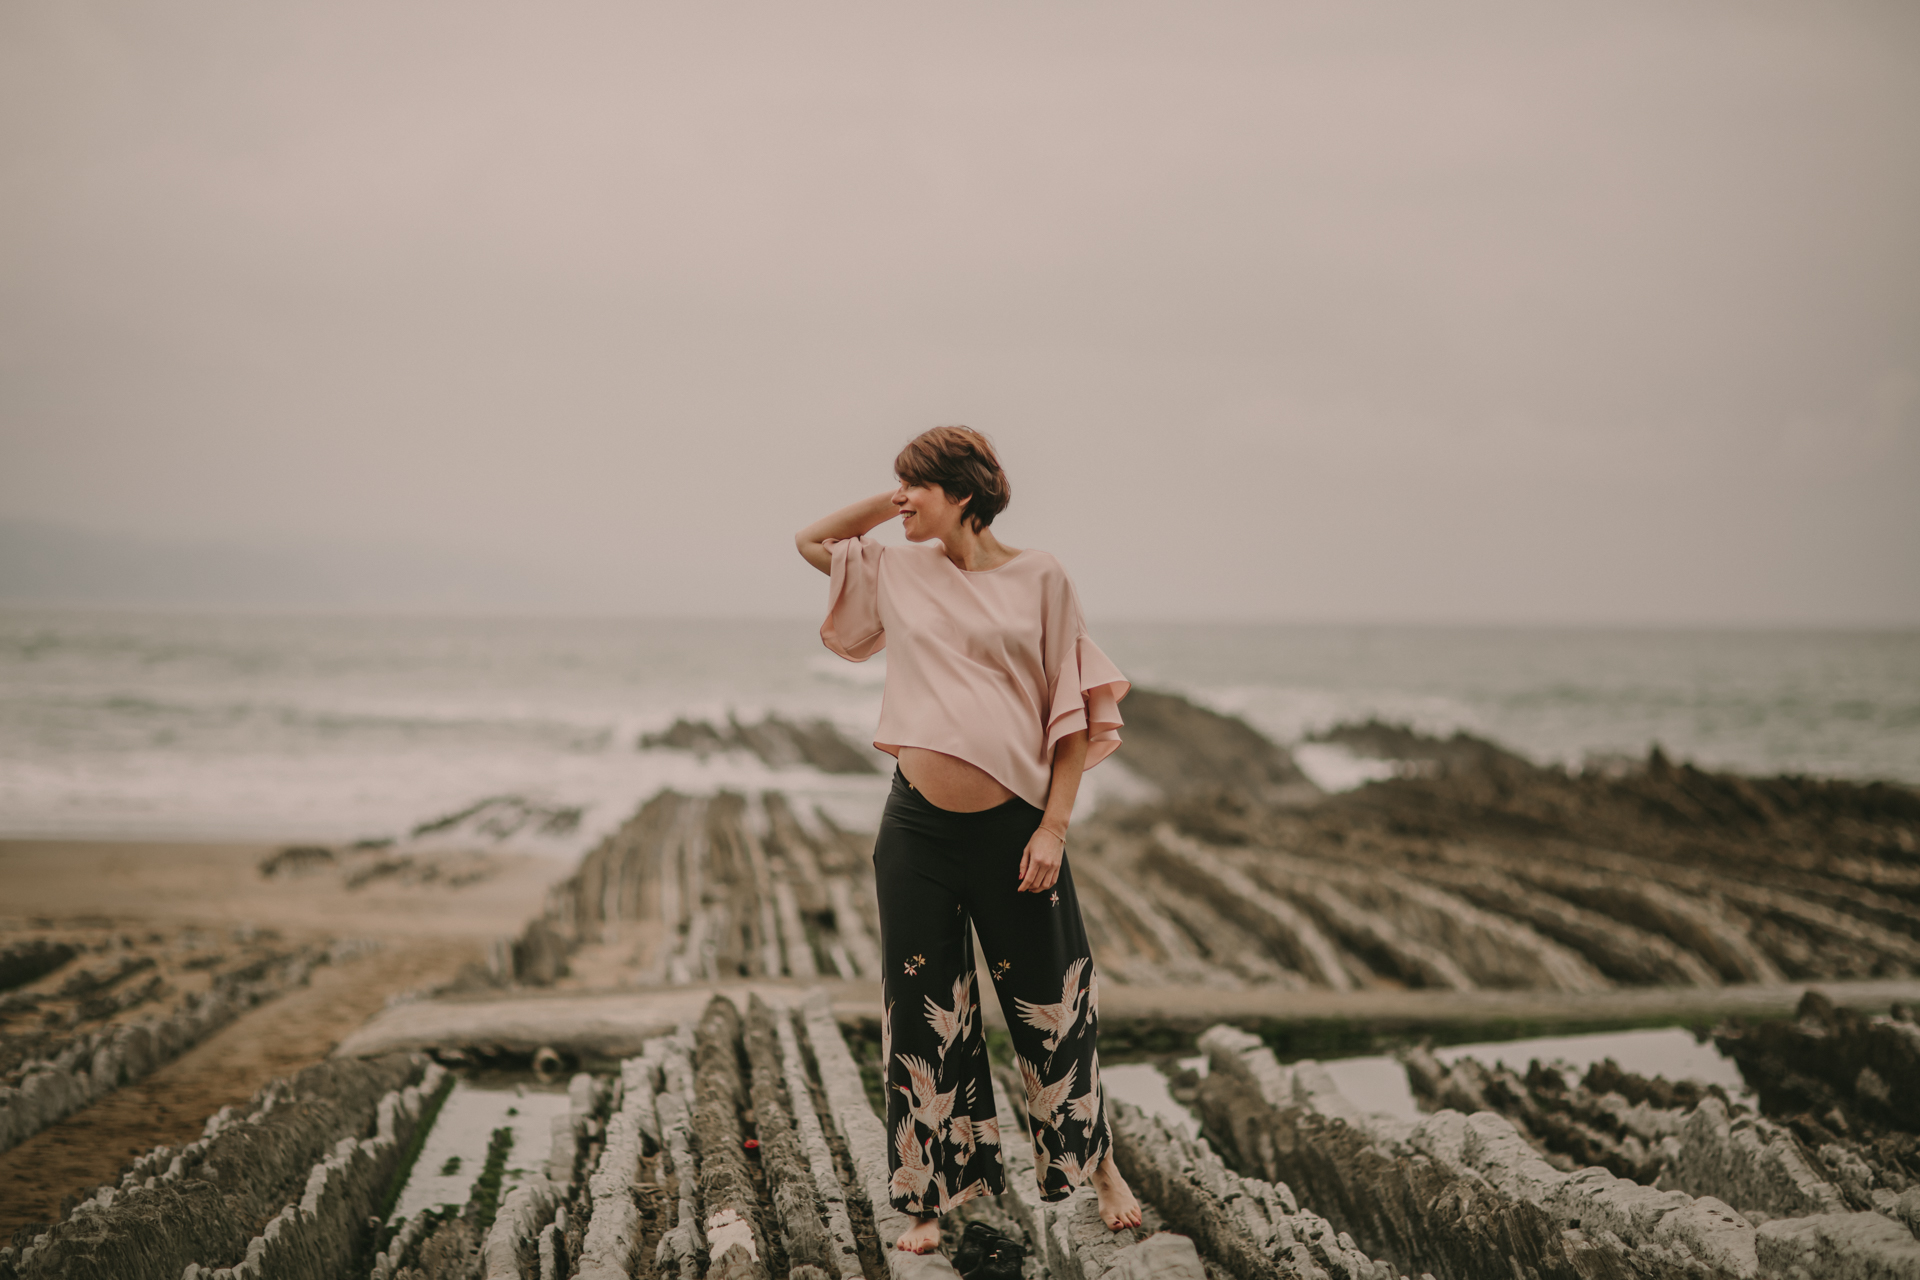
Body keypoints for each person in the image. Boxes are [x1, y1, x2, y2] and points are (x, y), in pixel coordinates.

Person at [795, 426, 1143, 1255]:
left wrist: (1054, 828)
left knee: (1055, 1007)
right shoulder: (900, 568)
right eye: (896, 488)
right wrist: (901, 498)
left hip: (1015, 828)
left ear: (964, 493)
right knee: (921, 1011)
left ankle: (1098, 1167)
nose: (901, 501)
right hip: (915, 825)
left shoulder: (1042, 577)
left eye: (916, 487)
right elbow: (813, 542)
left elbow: (1071, 715)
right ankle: (927, 1194)